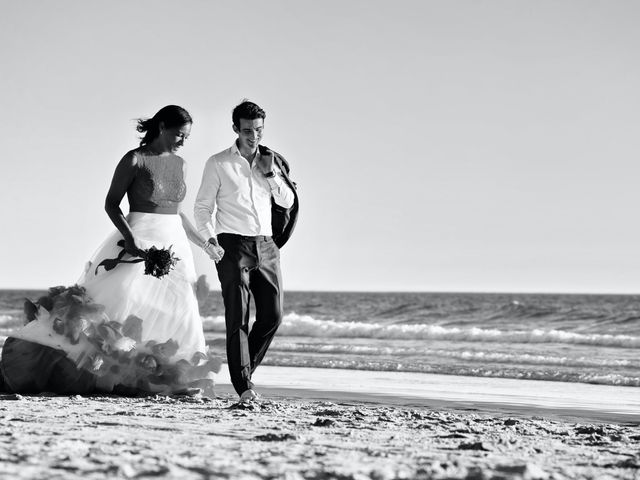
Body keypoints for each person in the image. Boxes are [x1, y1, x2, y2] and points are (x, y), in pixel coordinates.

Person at [1, 105, 221, 396]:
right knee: (122, 300)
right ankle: (114, 376)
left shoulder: (181, 164)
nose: (182, 141)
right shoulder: (135, 159)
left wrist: (205, 242)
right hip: (138, 236)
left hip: (174, 243)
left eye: (186, 137)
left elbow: (178, 214)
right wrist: (130, 240)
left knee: (181, 307)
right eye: (179, 134)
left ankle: (173, 380)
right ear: (162, 127)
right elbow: (111, 203)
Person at [194, 100, 298, 402]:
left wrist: (270, 175)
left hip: (267, 246)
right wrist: (210, 240)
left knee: (272, 315)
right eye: (248, 130)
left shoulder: (272, 162)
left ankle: (244, 370)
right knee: (237, 316)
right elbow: (203, 208)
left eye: (259, 130)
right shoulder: (218, 163)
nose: (254, 136)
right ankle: (243, 386)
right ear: (236, 129)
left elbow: (288, 202)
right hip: (231, 245)